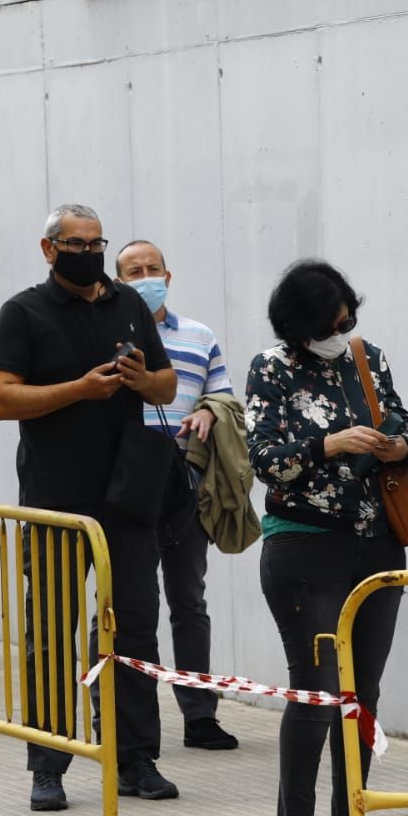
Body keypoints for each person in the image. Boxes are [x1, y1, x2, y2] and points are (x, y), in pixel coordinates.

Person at [0, 204, 182, 812]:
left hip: (126, 495)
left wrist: (138, 379)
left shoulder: (127, 304)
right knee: (50, 632)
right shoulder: (23, 312)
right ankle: (48, 764)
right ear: (49, 250)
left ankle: (134, 758)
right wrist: (80, 389)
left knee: (134, 628)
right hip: (56, 499)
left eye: (97, 243)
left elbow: (169, 383)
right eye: (75, 244)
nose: (88, 253)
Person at [246, 260, 408, 816]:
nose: (343, 331)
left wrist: (394, 446)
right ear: (300, 328)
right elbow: (266, 461)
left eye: (349, 319)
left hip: (376, 542)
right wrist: (331, 444)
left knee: (362, 691)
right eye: (332, 323)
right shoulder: (271, 368)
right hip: (304, 545)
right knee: (317, 687)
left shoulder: (366, 356)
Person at [113, 238, 240, 752]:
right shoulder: (109, 336)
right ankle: (121, 723)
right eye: (133, 270)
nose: (145, 276)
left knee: (189, 600)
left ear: (168, 275)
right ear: (118, 281)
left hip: (183, 479)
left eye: (152, 268)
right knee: (124, 606)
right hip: (125, 484)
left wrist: (208, 410)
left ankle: (199, 715)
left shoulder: (197, 335)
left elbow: (224, 394)